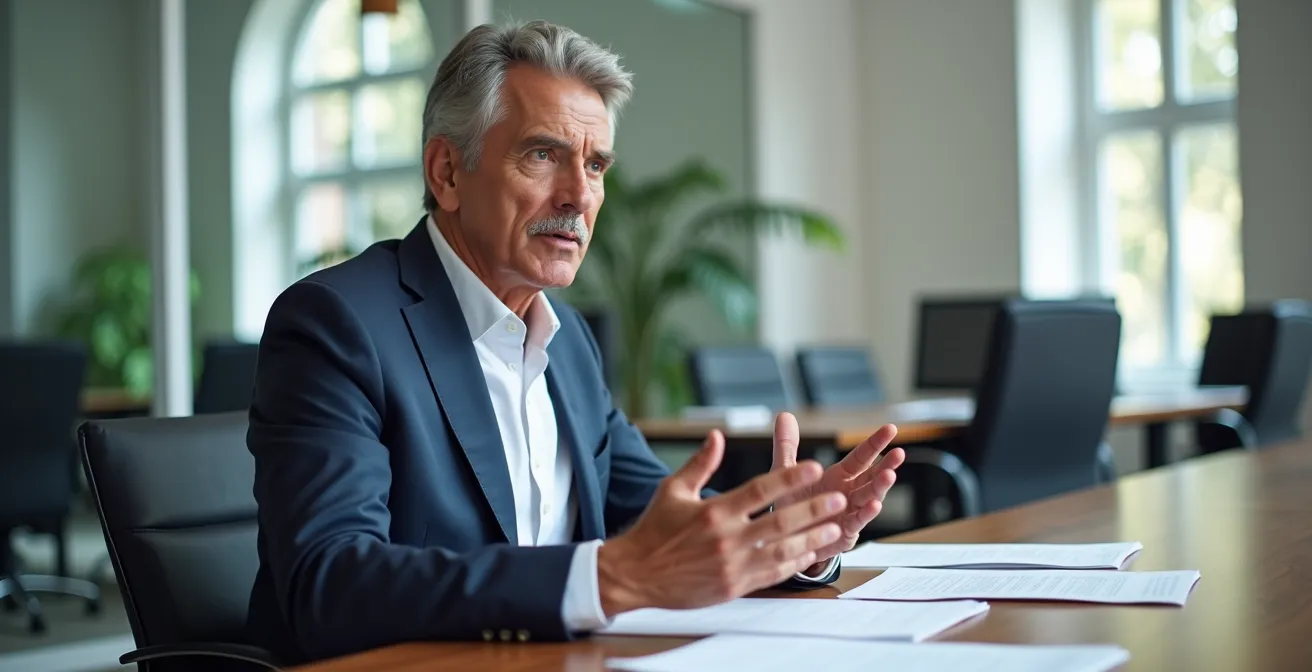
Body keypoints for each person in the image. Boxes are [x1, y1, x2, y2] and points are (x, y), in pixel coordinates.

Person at [244, 19, 906, 666]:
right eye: (543, 155)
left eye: (595, 164)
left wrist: (789, 536)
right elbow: (328, 585)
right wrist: (605, 579)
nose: (580, 195)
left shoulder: (569, 344)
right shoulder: (338, 323)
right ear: (447, 171)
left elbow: (665, 522)